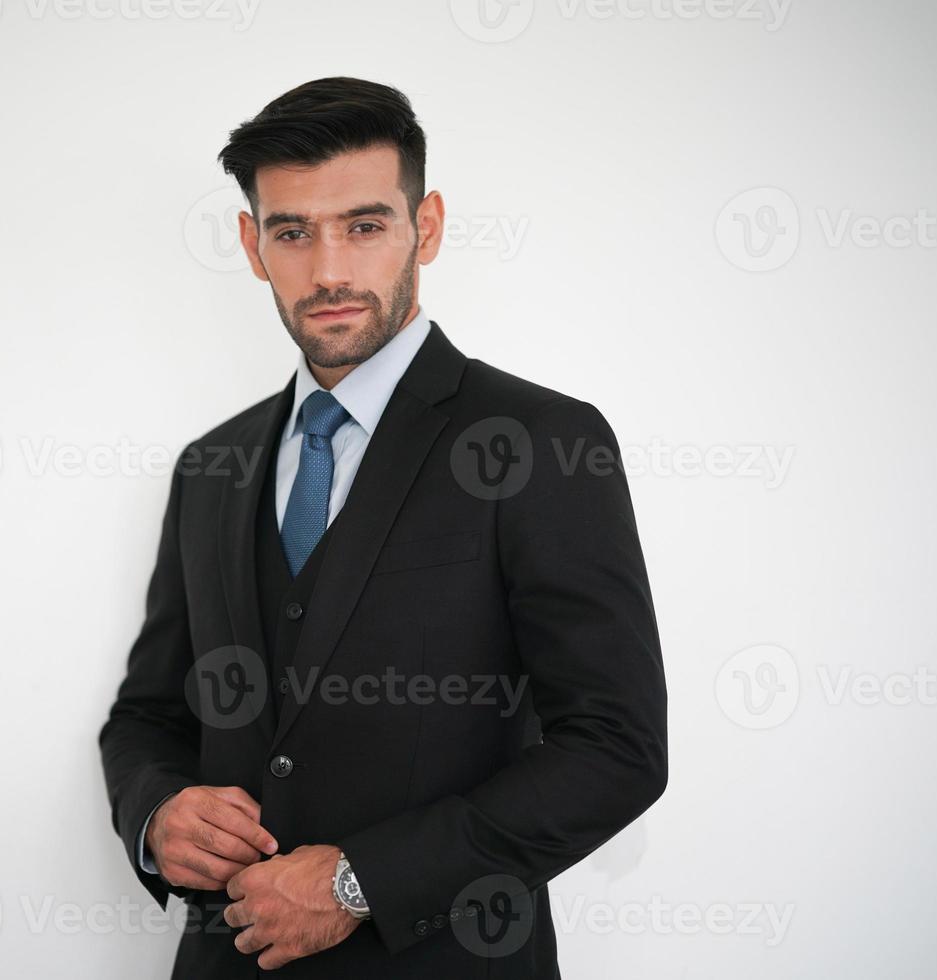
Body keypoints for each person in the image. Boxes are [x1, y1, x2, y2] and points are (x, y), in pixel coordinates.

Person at [98, 76, 668, 979]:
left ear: (426, 226)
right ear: (252, 245)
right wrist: (156, 813)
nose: (328, 270)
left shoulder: (543, 441)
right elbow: (148, 715)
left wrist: (361, 882)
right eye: (292, 232)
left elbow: (617, 749)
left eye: (364, 226)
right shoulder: (211, 466)